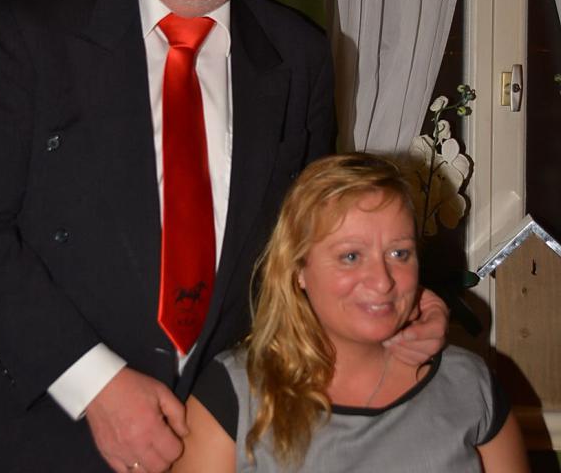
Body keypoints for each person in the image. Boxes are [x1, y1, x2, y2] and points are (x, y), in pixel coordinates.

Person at [0, 0, 447, 472]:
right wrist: (96, 386)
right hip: (48, 436)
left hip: (232, 436)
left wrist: (399, 306)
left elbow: (316, 237)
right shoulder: (29, 22)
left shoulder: (298, 54)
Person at [173, 153, 530, 473]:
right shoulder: (236, 395)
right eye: (351, 256)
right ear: (298, 269)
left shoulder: (468, 384)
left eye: (399, 253)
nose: (382, 280)